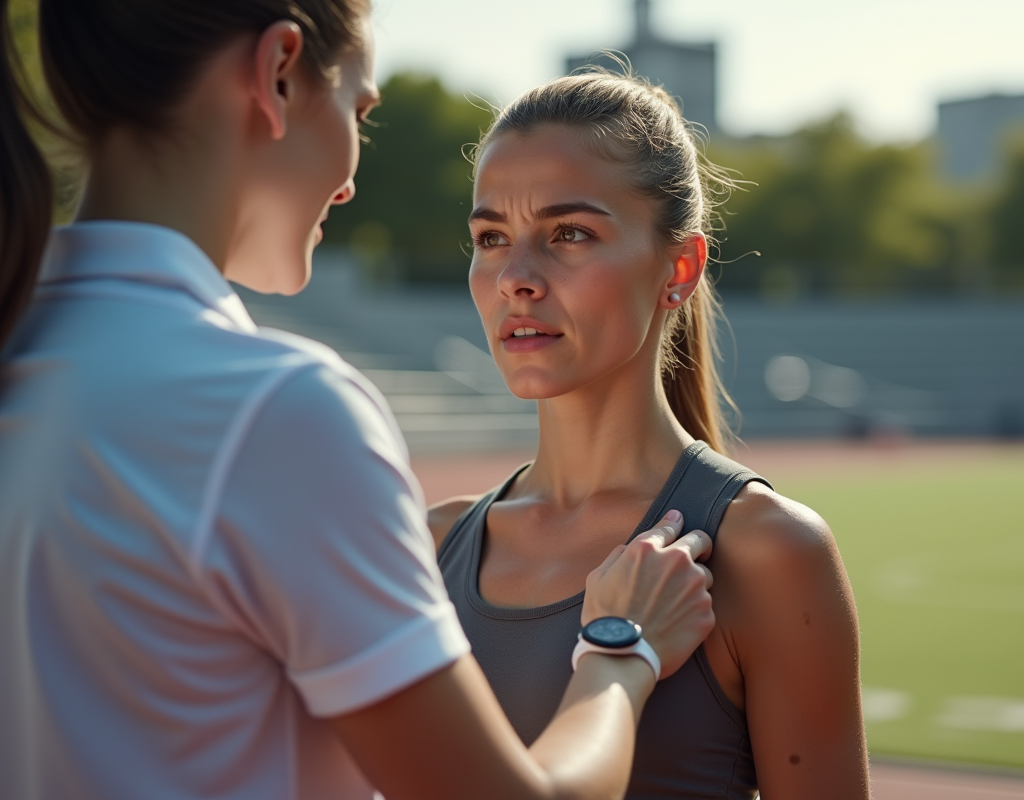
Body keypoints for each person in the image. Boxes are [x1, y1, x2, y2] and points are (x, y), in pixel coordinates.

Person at [0, 4, 719, 799]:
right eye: (360, 110)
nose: (348, 183)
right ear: (278, 72)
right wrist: (623, 652)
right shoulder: (274, 413)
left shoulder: (26, 353)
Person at [429, 72, 870, 798]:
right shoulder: (432, 545)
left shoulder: (768, 552)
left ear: (680, 267)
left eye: (569, 233)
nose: (515, 277)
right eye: (491, 237)